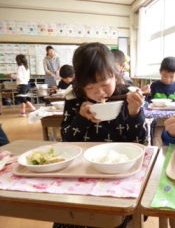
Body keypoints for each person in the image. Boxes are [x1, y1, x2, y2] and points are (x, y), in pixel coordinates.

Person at [57, 42, 148, 228]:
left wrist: (134, 112)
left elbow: (140, 145)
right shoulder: (75, 100)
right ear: (80, 85)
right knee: (68, 218)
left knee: (116, 218)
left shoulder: (127, 96)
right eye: (90, 87)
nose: (99, 93)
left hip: (120, 174)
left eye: (105, 84)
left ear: (115, 75)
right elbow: (66, 141)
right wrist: (81, 118)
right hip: (82, 173)